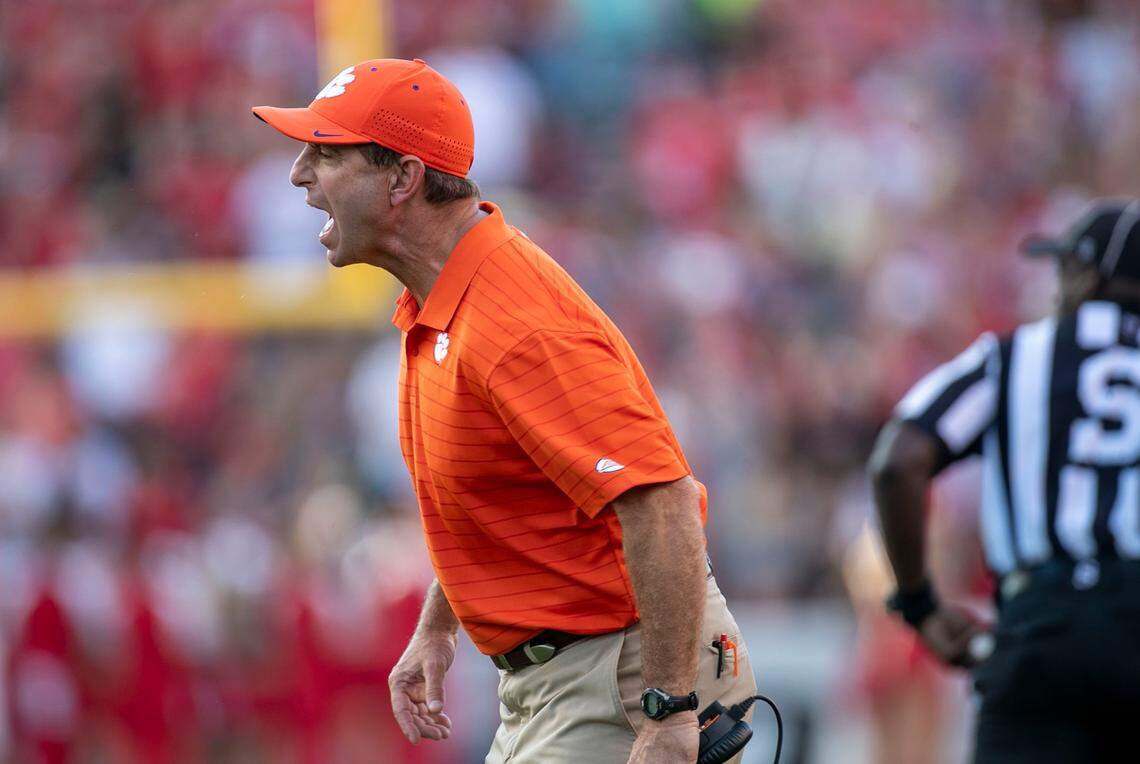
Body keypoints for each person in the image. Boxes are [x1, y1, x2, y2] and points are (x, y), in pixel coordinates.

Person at [251, 58, 757, 764]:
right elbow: (502, 496)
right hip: (569, 680)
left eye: (326, 154)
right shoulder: (441, 303)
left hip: (623, 677)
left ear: (403, 178)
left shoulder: (515, 325)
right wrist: (440, 623)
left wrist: (670, 709)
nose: (300, 174)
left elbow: (663, 503)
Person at [869, 199, 1140, 763]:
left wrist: (920, 604)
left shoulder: (1016, 357)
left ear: (1088, 274)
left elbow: (899, 461)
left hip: (1045, 630)